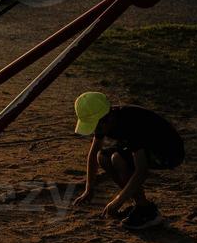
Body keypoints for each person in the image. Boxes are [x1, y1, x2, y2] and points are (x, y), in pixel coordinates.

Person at [71, 91, 184, 230]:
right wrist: (89, 189)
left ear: (108, 117)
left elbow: (141, 171)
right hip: (147, 148)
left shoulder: (131, 124)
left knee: (118, 159)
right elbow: (94, 153)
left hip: (168, 153)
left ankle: (147, 212)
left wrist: (117, 201)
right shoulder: (105, 122)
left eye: (96, 125)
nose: (96, 130)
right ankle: (140, 203)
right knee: (103, 157)